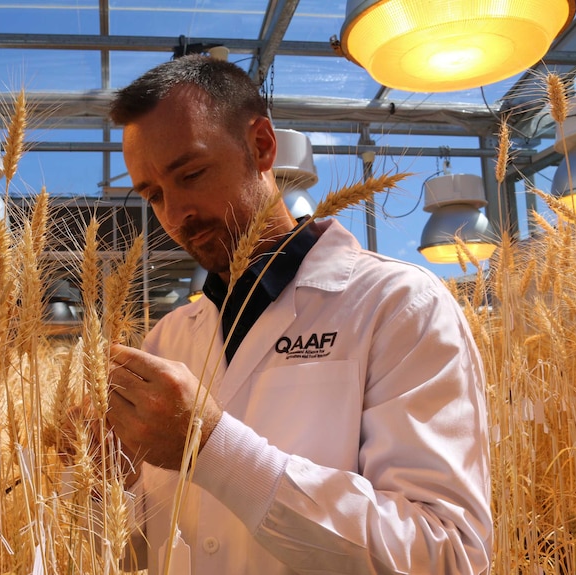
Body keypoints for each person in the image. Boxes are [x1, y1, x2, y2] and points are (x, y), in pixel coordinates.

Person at [105, 55, 492, 575]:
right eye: (153, 196)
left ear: (262, 146)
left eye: (191, 174)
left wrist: (211, 448)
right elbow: (149, 542)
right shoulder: (167, 339)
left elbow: (444, 554)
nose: (175, 215)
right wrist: (94, 479)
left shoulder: (399, 305)